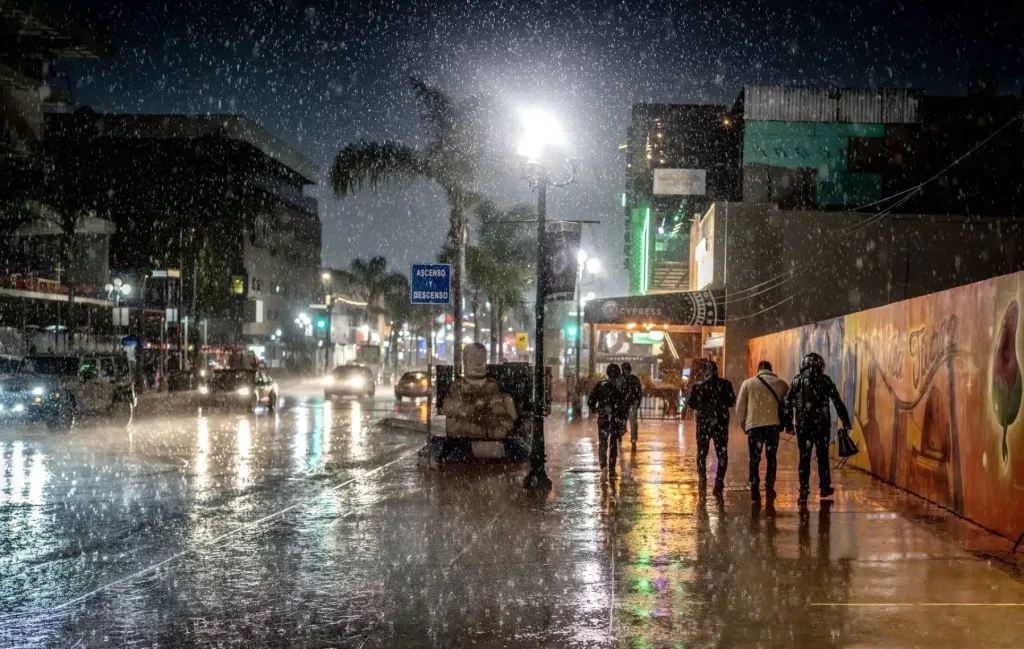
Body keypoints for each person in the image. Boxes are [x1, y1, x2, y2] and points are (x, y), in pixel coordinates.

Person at [785, 352, 852, 504]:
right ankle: (824, 487)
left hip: (803, 425)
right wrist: (846, 421)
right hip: (822, 425)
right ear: (821, 366)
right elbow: (837, 402)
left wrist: (788, 425)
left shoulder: (796, 381)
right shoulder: (825, 381)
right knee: (823, 456)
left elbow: (787, 405)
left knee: (804, 457)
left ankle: (803, 490)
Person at [735, 360, 790, 502]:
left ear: (758, 370)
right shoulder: (782, 384)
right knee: (771, 458)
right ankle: (769, 487)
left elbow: (740, 409)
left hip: (754, 427)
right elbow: (788, 407)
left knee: (754, 458)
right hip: (773, 427)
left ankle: (754, 487)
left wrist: (745, 426)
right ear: (771, 370)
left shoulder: (748, 383)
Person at [686, 360, 735, 494]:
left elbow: (691, 403)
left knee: (702, 453)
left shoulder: (698, 386)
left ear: (705, 371)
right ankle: (719, 480)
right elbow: (732, 402)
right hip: (720, 423)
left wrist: (703, 408)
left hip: (703, 424)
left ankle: (702, 479)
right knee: (722, 453)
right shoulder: (726, 384)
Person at [587, 363, 628, 475]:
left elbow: (590, 401)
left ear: (607, 373)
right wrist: (623, 420)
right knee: (613, 444)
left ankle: (603, 466)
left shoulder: (600, 385)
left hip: (603, 418)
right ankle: (612, 469)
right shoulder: (620, 387)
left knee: (603, 443)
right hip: (615, 420)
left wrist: (597, 410)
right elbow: (624, 406)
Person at [621, 362, 643, 447]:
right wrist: (637, 402)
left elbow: (618, 391)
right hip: (632, 403)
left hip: (624, 404)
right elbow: (639, 392)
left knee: (623, 421)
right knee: (633, 422)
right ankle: (633, 439)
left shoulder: (621, 379)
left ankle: (621, 437)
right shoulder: (635, 379)